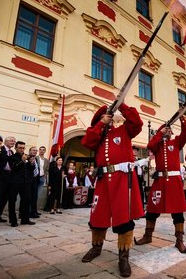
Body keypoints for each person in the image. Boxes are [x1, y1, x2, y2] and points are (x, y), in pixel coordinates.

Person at [80, 103, 144, 278]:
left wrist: (121, 106)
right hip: (103, 181)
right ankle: (96, 247)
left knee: (124, 217)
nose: (109, 120)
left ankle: (123, 257)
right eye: (105, 117)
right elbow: (87, 141)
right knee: (98, 215)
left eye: (109, 117)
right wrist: (100, 124)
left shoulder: (124, 131)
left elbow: (137, 123)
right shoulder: (98, 136)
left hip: (122, 179)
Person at [134, 117, 186, 253]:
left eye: (169, 129)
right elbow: (150, 146)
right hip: (159, 181)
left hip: (174, 182)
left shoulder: (176, 142)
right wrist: (160, 133)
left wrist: (182, 118)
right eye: (166, 129)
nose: (169, 131)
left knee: (177, 212)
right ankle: (148, 236)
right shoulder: (157, 144)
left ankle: (179, 240)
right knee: (152, 210)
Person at [8, 141, 36, 227]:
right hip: (14, 182)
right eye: (20, 148)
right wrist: (22, 161)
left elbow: (31, 170)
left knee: (26, 200)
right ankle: (13, 221)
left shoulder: (27, 156)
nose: (22, 149)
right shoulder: (12, 157)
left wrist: (31, 163)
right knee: (12, 201)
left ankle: (25, 219)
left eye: (23, 148)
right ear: (15, 148)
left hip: (25, 183)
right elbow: (13, 168)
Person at [0, 136, 16, 224]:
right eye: (11, 141)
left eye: (14, 141)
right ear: (5, 141)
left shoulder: (12, 152)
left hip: (9, 176)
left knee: (5, 198)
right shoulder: (0, 149)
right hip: (1, 176)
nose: (13, 142)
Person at [33, 146, 49, 216]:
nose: (42, 151)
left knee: (38, 195)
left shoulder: (46, 160)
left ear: (45, 151)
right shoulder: (35, 158)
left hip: (42, 178)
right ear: (39, 151)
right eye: (40, 150)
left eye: (43, 150)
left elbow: (47, 169)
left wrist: (45, 176)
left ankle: (35, 210)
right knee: (34, 195)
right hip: (35, 178)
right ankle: (32, 210)